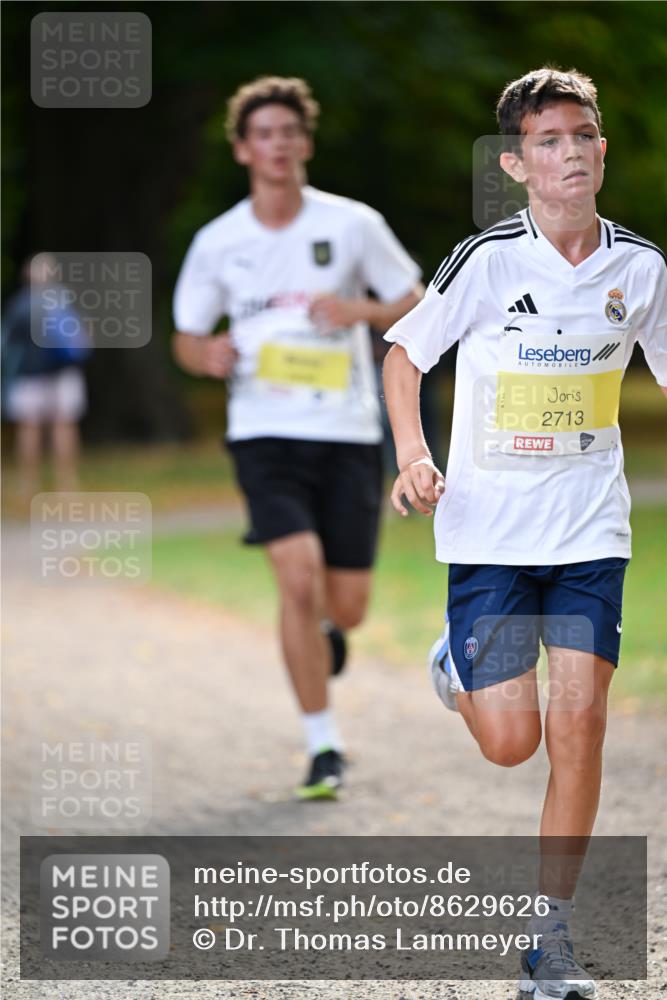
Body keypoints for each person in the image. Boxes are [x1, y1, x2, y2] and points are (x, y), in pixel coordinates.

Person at [383, 67, 666, 1000]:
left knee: (578, 727)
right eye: (546, 142)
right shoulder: (487, 260)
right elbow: (403, 355)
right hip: (491, 534)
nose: (569, 153)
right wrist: (414, 455)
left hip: (590, 532)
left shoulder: (641, 269)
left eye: (580, 135)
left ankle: (550, 942)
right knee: (511, 742)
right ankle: (453, 669)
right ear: (517, 164)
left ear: (599, 149)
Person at [172, 76, 422, 799]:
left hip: (345, 431)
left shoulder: (352, 224)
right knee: (296, 573)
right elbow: (186, 339)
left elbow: (413, 301)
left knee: (346, 606)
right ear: (243, 148)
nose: (278, 144)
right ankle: (323, 746)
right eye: (264, 133)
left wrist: (358, 307)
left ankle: (327, 634)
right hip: (263, 434)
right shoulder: (217, 241)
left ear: (304, 144)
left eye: (290, 132)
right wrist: (206, 355)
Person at [2, 255, 89, 498]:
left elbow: (6, 342)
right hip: (62, 373)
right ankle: (67, 483)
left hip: (29, 375)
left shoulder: (19, 304)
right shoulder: (64, 301)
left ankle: (28, 483)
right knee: (63, 426)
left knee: (30, 428)